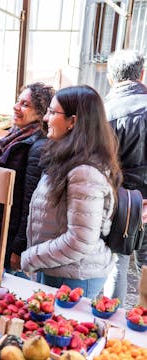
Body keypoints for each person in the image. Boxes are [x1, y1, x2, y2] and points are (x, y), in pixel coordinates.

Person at [20, 85, 121, 299]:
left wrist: (31, 257)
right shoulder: (65, 159)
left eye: (53, 112)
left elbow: (80, 240)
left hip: (75, 277)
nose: (46, 118)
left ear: (73, 121)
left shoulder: (84, 172)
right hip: (59, 269)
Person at [0, 82, 54, 277]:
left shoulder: (36, 147)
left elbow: (31, 201)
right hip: (6, 224)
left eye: (25, 104)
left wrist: (19, 246)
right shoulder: (17, 136)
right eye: (18, 101)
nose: (16, 107)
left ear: (40, 114)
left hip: (14, 230)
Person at [103, 49, 147, 304]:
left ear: (111, 78)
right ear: (141, 74)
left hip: (119, 200)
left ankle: (113, 322)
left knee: (116, 262)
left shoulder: (104, 112)